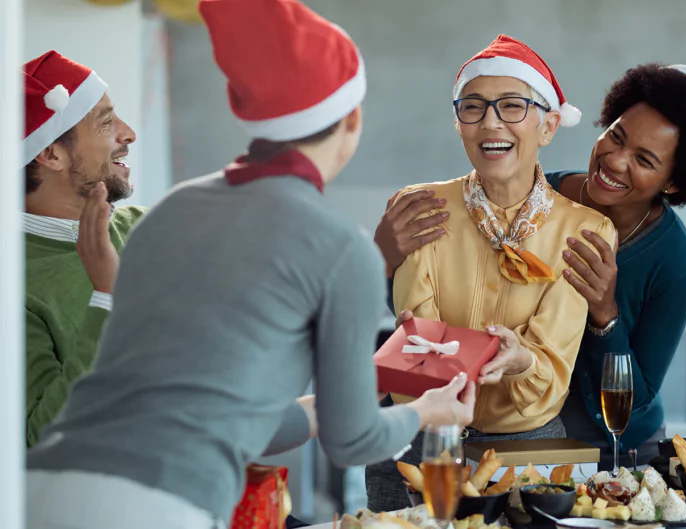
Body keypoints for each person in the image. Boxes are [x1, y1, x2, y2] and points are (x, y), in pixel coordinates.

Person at [26, 1, 474, 527]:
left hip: (42, 491)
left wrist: (362, 381)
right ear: (352, 117)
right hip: (156, 505)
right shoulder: (340, 246)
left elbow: (235, 420)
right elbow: (352, 440)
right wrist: (429, 411)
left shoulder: (170, 213)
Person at [375, 63, 686, 470]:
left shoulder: (678, 263)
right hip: (488, 429)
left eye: (644, 159)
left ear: (673, 182)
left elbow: (639, 395)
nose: (615, 161)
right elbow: (418, 310)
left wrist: (605, 314)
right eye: (615, 137)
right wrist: (383, 260)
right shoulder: (531, 193)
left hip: (609, 443)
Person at [366, 35, 616, 510]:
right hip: (421, 440)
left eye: (512, 106)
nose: (490, 123)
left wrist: (522, 360)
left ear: (548, 127)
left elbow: (550, 364)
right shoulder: (419, 207)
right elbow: (415, 349)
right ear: (458, 124)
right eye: (473, 107)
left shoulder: (587, 230)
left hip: (531, 448)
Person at [21, 50, 146, 446]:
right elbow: (40, 438)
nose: (128, 134)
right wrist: (106, 297)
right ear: (51, 153)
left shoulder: (154, 228)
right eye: (106, 122)